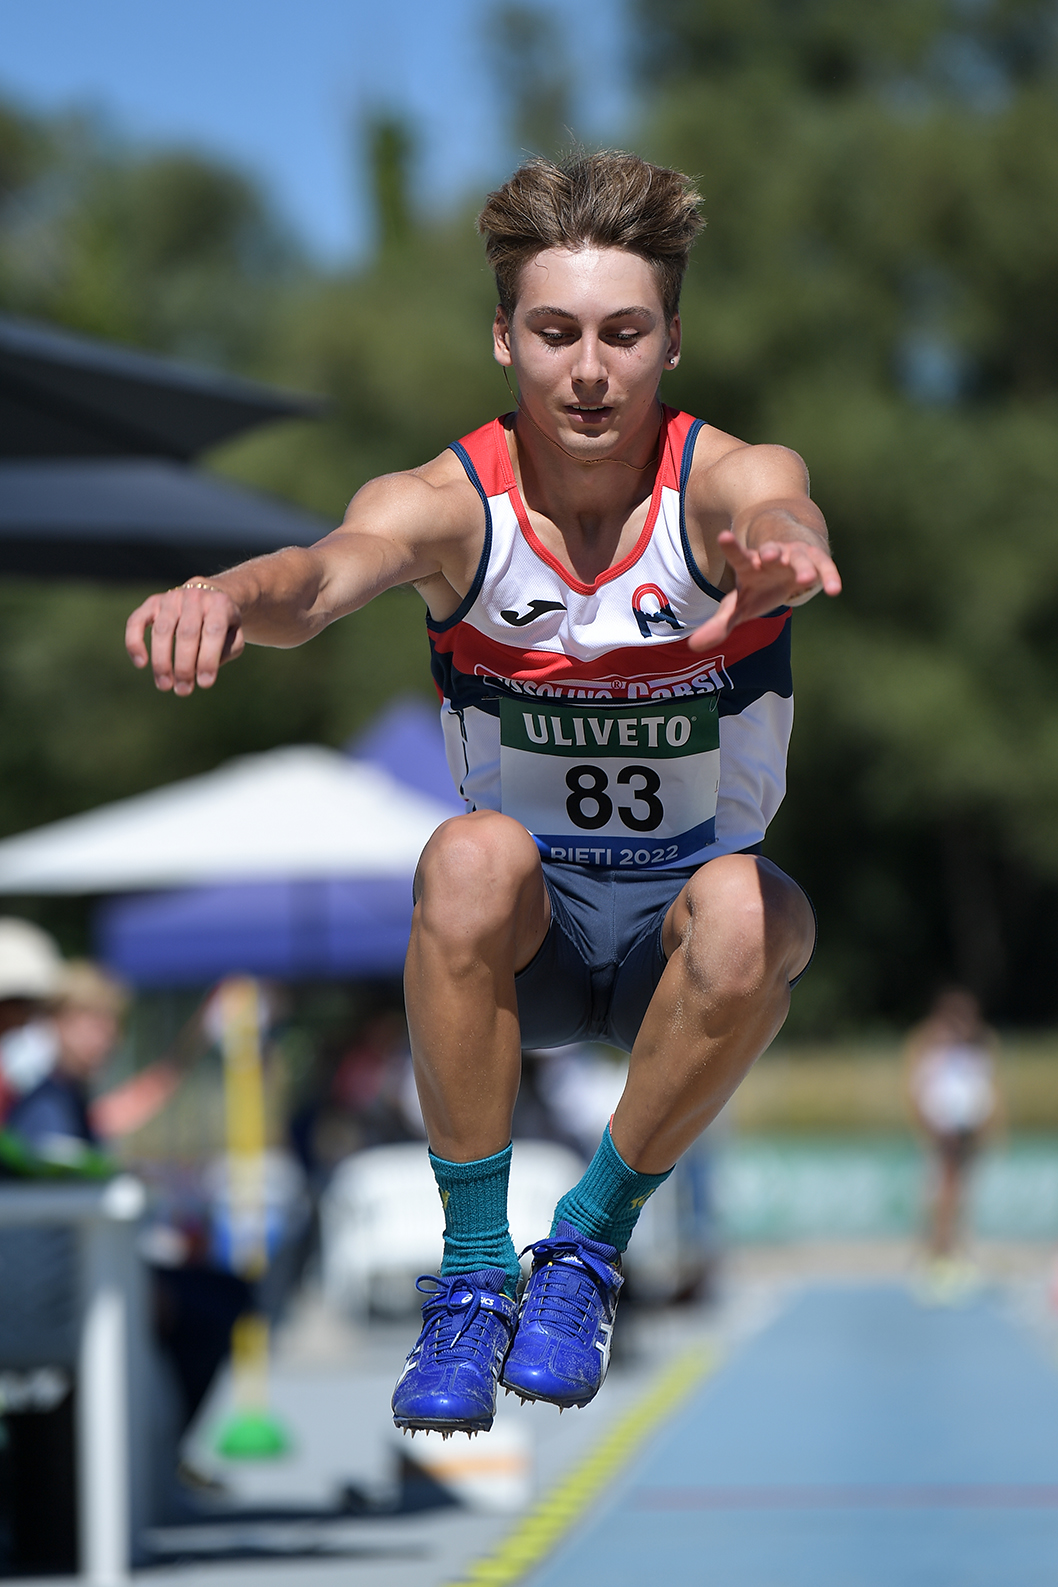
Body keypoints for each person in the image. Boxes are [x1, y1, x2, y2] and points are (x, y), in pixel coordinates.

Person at [125, 151, 840, 1435]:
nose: (589, 371)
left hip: (683, 944)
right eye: (555, 333)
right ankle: (469, 1277)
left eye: (623, 334)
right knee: (466, 855)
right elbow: (320, 576)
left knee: (754, 908)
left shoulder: (719, 489)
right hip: (529, 945)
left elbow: (779, 502)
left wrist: (787, 552)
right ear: (502, 337)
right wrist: (225, 596)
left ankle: (585, 1246)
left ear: (672, 342)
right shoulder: (449, 508)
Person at [905, 987, 999, 1272]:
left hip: (966, 1131)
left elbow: (984, 1093)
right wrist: (934, 1127)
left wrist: (981, 1126)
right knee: (939, 1192)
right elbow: (920, 1093)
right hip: (941, 1132)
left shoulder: (977, 1050)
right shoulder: (930, 1050)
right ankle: (935, 1249)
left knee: (961, 1193)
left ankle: (954, 1247)